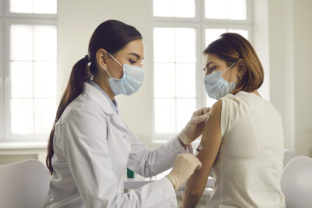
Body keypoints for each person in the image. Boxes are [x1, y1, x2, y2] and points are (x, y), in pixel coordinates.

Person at [43, 19, 209, 208]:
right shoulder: (83, 116)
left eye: (140, 62)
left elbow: (146, 163)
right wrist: (173, 180)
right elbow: (107, 205)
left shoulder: (107, 109)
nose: (138, 69)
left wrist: (185, 137)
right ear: (103, 59)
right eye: (132, 60)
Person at [183, 33, 286, 208]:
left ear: (240, 68)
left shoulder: (225, 107)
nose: (207, 76)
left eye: (212, 68)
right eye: (205, 70)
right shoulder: (273, 112)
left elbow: (194, 189)